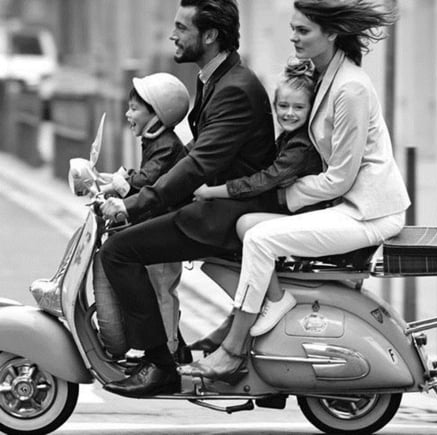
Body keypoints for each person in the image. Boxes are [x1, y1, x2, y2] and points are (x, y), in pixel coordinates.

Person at [179, 0, 410, 383]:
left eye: (303, 30)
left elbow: (340, 177)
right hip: (344, 206)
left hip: (367, 212)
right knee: (245, 225)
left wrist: (282, 197)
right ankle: (256, 309)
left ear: (331, 33)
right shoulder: (325, 77)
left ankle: (234, 348)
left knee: (259, 238)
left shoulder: (350, 88)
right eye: (293, 28)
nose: (293, 36)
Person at [99, 0, 276, 397]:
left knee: (119, 251)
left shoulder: (236, 88)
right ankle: (172, 348)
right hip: (214, 204)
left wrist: (136, 204)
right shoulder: (217, 78)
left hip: (228, 213)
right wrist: (134, 185)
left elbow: (198, 163)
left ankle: (159, 364)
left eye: (182, 27)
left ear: (210, 35)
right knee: (133, 237)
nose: (172, 35)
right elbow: (195, 150)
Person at [187, 57, 327, 352]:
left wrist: (213, 192)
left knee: (243, 227)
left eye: (298, 107)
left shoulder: (301, 145)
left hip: (305, 218)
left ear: (311, 109)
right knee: (230, 245)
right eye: (283, 106)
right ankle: (237, 319)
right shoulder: (288, 138)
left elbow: (264, 180)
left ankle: (272, 300)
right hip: (289, 211)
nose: (289, 113)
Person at [100, 73, 190, 362]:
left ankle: (170, 351)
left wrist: (124, 181)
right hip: (153, 223)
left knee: (162, 289)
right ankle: (175, 345)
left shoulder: (165, 144)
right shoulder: (154, 140)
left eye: (135, 108)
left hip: (165, 227)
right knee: (155, 288)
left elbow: (149, 178)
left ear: (158, 113)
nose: (128, 114)